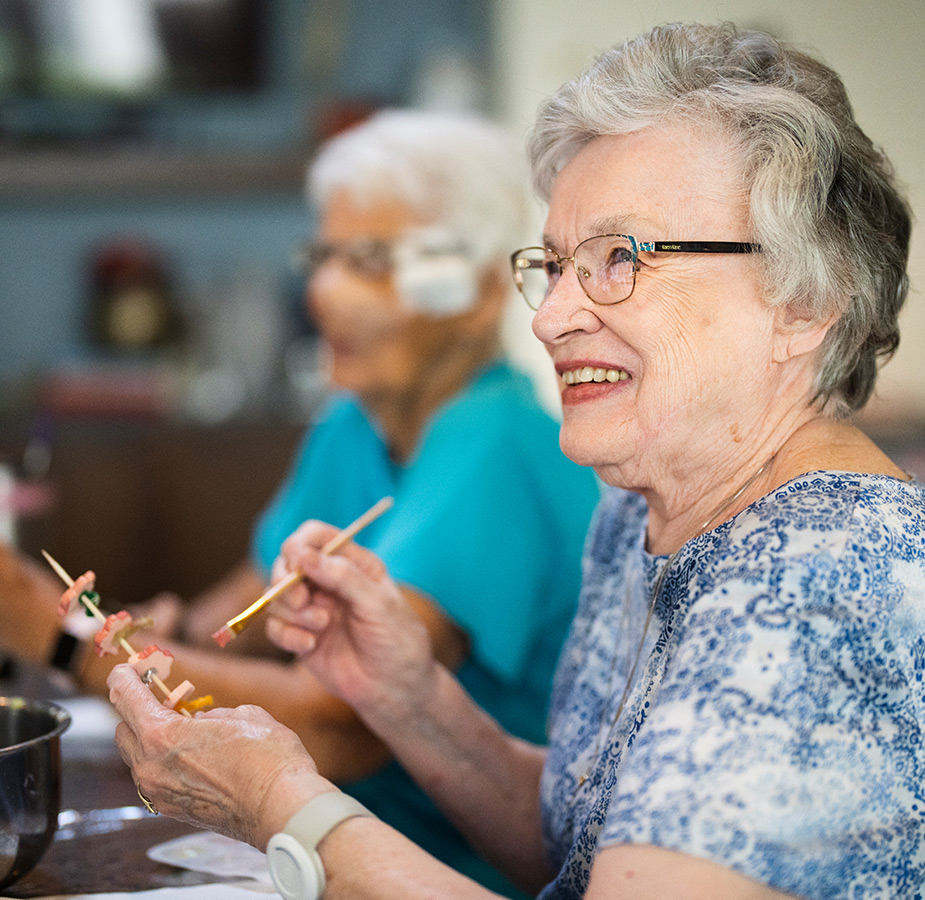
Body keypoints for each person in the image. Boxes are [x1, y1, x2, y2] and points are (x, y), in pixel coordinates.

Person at [107, 21, 924, 900]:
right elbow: (585, 850)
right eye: (557, 264)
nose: (549, 316)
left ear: (805, 302)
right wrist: (414, 699)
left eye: (621, 257)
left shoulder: (813, 587)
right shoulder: (645, 508)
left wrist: (284, 807)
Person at [0, 110, 600, 898]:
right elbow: (226, 625)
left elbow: (337, 727)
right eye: (323, 255)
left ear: (479, 292)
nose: (323, 293)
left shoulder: (499, 448)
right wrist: (141, 633)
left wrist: (60, 632)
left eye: (371, 261)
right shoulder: (352, 423)